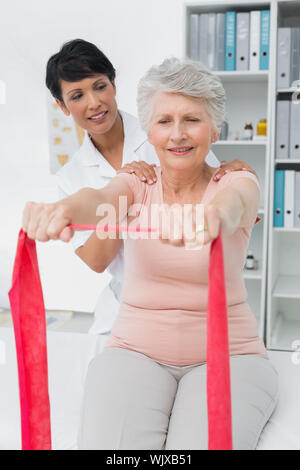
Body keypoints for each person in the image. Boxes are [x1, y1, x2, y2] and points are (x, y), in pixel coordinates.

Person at [23, 57, 278, 450]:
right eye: (164, 122)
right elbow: (100, 198)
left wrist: (215, 216)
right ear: (149, 130)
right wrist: (63, 211)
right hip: (134, 350)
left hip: (230, 355)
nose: (178, 135)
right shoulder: (136, 181)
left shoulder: (236, 179)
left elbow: (239, 201)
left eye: (192, 119)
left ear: (215, 128)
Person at [46, 39, 258, 335]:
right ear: (62, 106)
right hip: (123, 309)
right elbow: (96, 260)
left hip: (190, 305)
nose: (94, 103)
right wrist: (127, 193)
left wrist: (237, 181)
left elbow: (214, 200)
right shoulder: (71, 176)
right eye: (77, 95)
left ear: (114, 84)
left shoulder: (167, 132)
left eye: (99, 86)